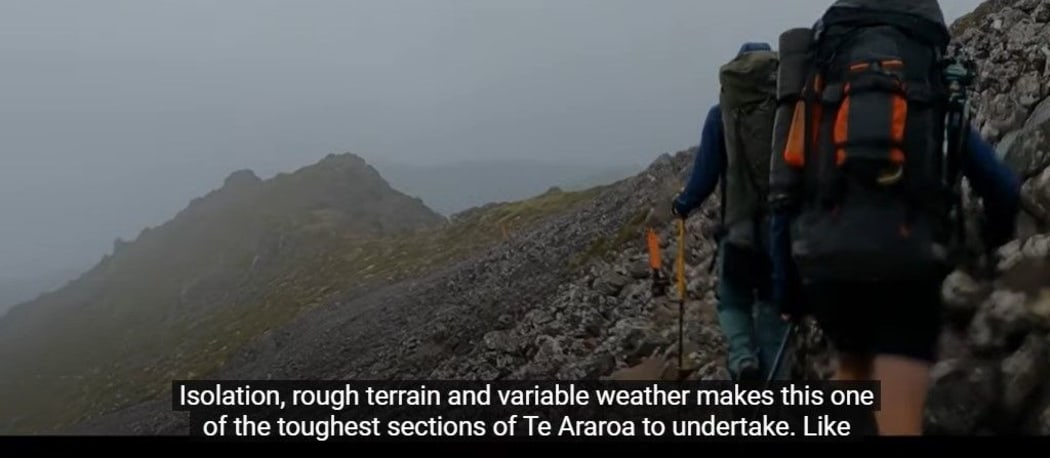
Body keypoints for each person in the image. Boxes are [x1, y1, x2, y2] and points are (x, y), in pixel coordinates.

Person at [768, 0, 1021, 435]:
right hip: (908, 260)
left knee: (851, 368)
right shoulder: (928, 83)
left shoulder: (824, 88)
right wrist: (992, 243)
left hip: (829, 261)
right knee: (899, 413)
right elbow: (1003, 188)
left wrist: (787, 291)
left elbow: (785, 194)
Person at [672, 42, 790, 382]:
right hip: (784, 229)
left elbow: (704, 177)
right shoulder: (789, 111)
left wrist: (682, 205)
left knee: (732, 301)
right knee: (773, 310)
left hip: (738, 229)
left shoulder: (720, 114)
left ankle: (742, 358)